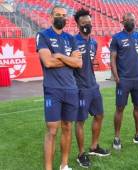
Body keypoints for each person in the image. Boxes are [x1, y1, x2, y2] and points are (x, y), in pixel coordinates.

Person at [36, 5, 82, 170]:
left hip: (71, 89)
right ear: (51, 17)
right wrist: (69, 59)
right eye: (57, 15)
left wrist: (61, 56)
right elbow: (48, 62)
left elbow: (79, 63)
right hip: (52, 90)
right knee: (52, 131)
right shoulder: (43, 35)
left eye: (63, 15)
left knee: (67, 127)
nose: (61, 18)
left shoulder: (71, 38)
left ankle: (64, 165)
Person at [73, 8, 110, 168]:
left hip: (93, 86)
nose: (87, 25)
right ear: (78, 24)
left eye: (89, 22)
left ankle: (94, 147)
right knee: (80, 121)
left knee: (100, 115)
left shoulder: (94, 42)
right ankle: (81, 154)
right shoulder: (72, 41)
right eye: (83, 23)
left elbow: (90, 64)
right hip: (79, 88)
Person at [110, 12, 138, 150]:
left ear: (135, 21)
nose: (130, 22)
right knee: (120, 108)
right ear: (122, 21)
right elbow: (113, 59)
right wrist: (116, 77)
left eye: (132, 20)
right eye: (127, 20)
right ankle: (116, 138)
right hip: (124, 80)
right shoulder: (116, 38)